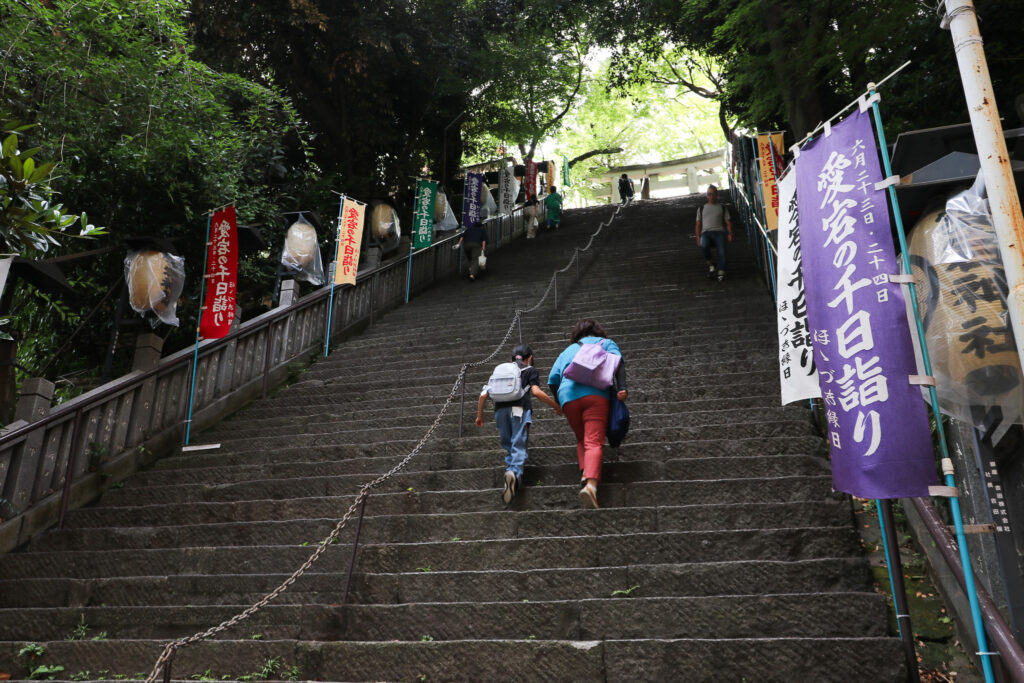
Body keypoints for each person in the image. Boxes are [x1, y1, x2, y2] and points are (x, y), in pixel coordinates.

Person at [548, 319, 628, 509]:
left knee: (581, 438)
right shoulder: (606, 343)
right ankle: (591, 485)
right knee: (593, 440)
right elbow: (619, 364)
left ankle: (585, 471)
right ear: (599, 331)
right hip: (596, 394)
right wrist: (623, 387)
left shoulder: (567, 351)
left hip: (568, 396)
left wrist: (559, 403)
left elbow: (552, 379)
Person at [476, 344, 562, 503]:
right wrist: (556, 406)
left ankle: (511, 473)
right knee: (518, 443)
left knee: (508, 444)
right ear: (530, 358)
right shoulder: (530, 370)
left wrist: (480, 416)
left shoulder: (500, 372)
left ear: (511, 359)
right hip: (520, 410)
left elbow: (483, 396)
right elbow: (536, 392)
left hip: (500, 412)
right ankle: (514, 474)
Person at [696, 184, 733, 281]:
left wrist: (730, 233)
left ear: (717, 195)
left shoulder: (722, 207)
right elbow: (698, 224)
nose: (711, 196)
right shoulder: (701, 208)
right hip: (706, 233)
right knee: (704, 245)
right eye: (709, 194)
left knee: (722, 250)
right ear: (707, 196)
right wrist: (698, 237)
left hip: (719, 232)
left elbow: (728, 222)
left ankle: (721, 271)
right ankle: (711, 264)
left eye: (713, 194)